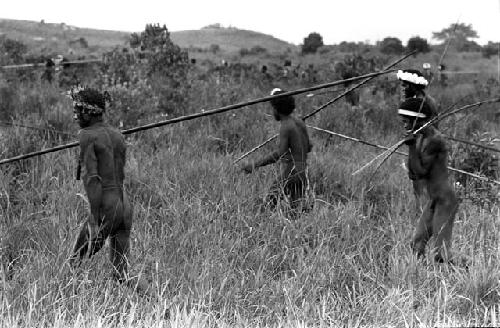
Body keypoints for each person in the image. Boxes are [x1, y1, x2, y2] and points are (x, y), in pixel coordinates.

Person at [68, 86, 133, 282]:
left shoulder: (86, 135)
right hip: (125, 205)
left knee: (73, 264)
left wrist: (95, 219)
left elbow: (92, 180)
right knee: (121, 274)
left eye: (78, 112)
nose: (75, 117)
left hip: (106, 208)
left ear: (89, 112)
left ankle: (67, 309)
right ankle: (158, 303)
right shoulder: (117, 135)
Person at [398, 98, 458, 263]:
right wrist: (412, 147)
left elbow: (421, 172)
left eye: (406, 122)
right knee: (417, 244)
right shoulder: (421, 138)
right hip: (434, 199)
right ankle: (419, 278)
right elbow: (413, 174)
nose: (404, 125)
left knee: (441, 253)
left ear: (416, 119)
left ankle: (453, 278)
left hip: (445, 200)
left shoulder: (435, 141)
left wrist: (410, 148)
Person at [242, 88, 312, 215]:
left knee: (269, 202)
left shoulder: (286, 126)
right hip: (303, 171)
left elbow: (280, 154)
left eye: (272, 108)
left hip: (291, 171)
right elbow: (309, 147)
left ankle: (263, 225)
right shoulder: (300, 122)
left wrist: (255, 165)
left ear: (277, 109)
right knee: (297, 210)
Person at [397, 69, 439, 213]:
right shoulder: (414, 100)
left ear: (413, 86)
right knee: (416, 180)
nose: (402, 89)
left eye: (405, 86)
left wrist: (415, 139)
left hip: (425, 146)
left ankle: (424, 215)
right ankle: (420, 212)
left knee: (422, 181)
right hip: (417, 143)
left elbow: (432, 128)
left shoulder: (426, 103)